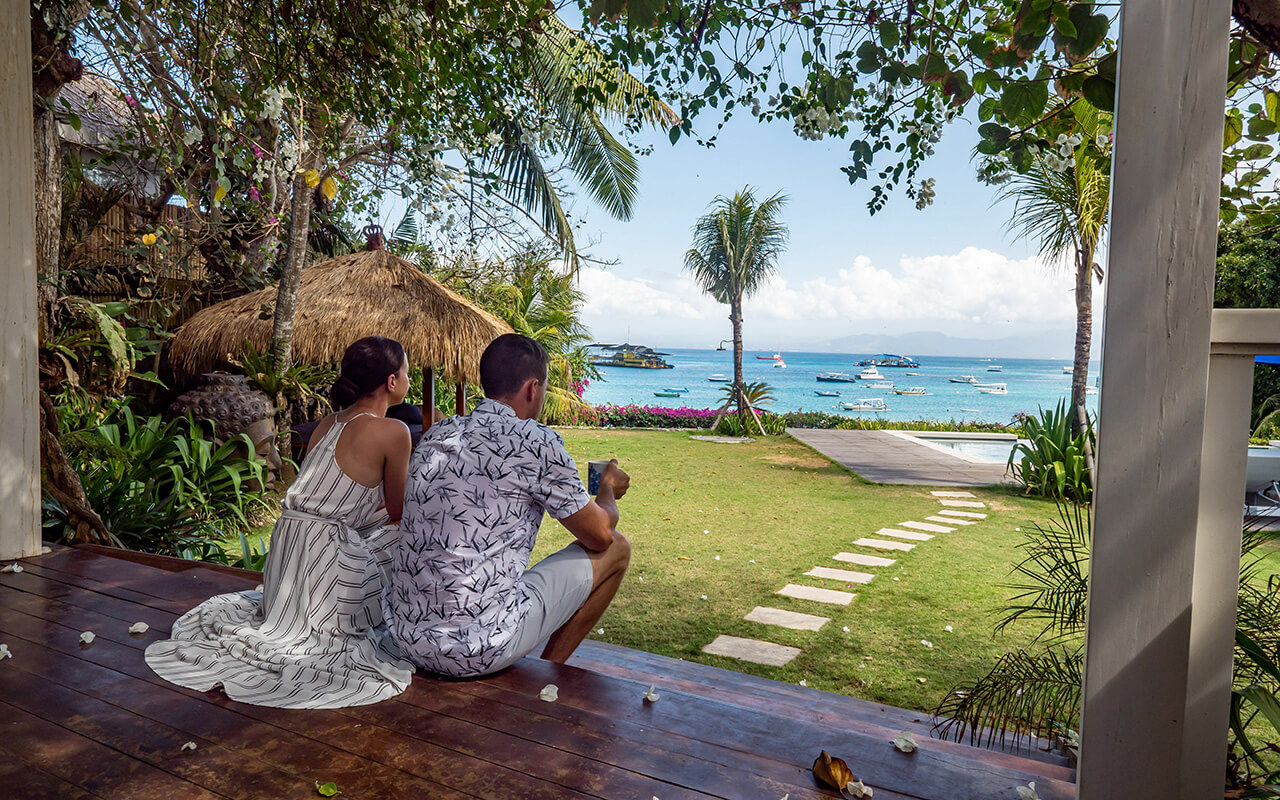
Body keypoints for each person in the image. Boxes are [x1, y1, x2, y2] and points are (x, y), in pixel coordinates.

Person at [145, 336, 416, 708]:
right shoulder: (394, 432)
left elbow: (332, 497)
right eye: (406, 373)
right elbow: (399, 512)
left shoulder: (328, 423)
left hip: (289, 555)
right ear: (390, 381)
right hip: (325, 560)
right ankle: (427, 624)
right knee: (411, 534)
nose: (410, 380)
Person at [388, 333, 631, 677]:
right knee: (617, 548)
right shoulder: (536, 441)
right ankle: (550, 671)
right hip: (479, 647)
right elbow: (601, 535)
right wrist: (606, 487)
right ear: (533, 389)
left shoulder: (439, 435)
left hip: (410, 638)